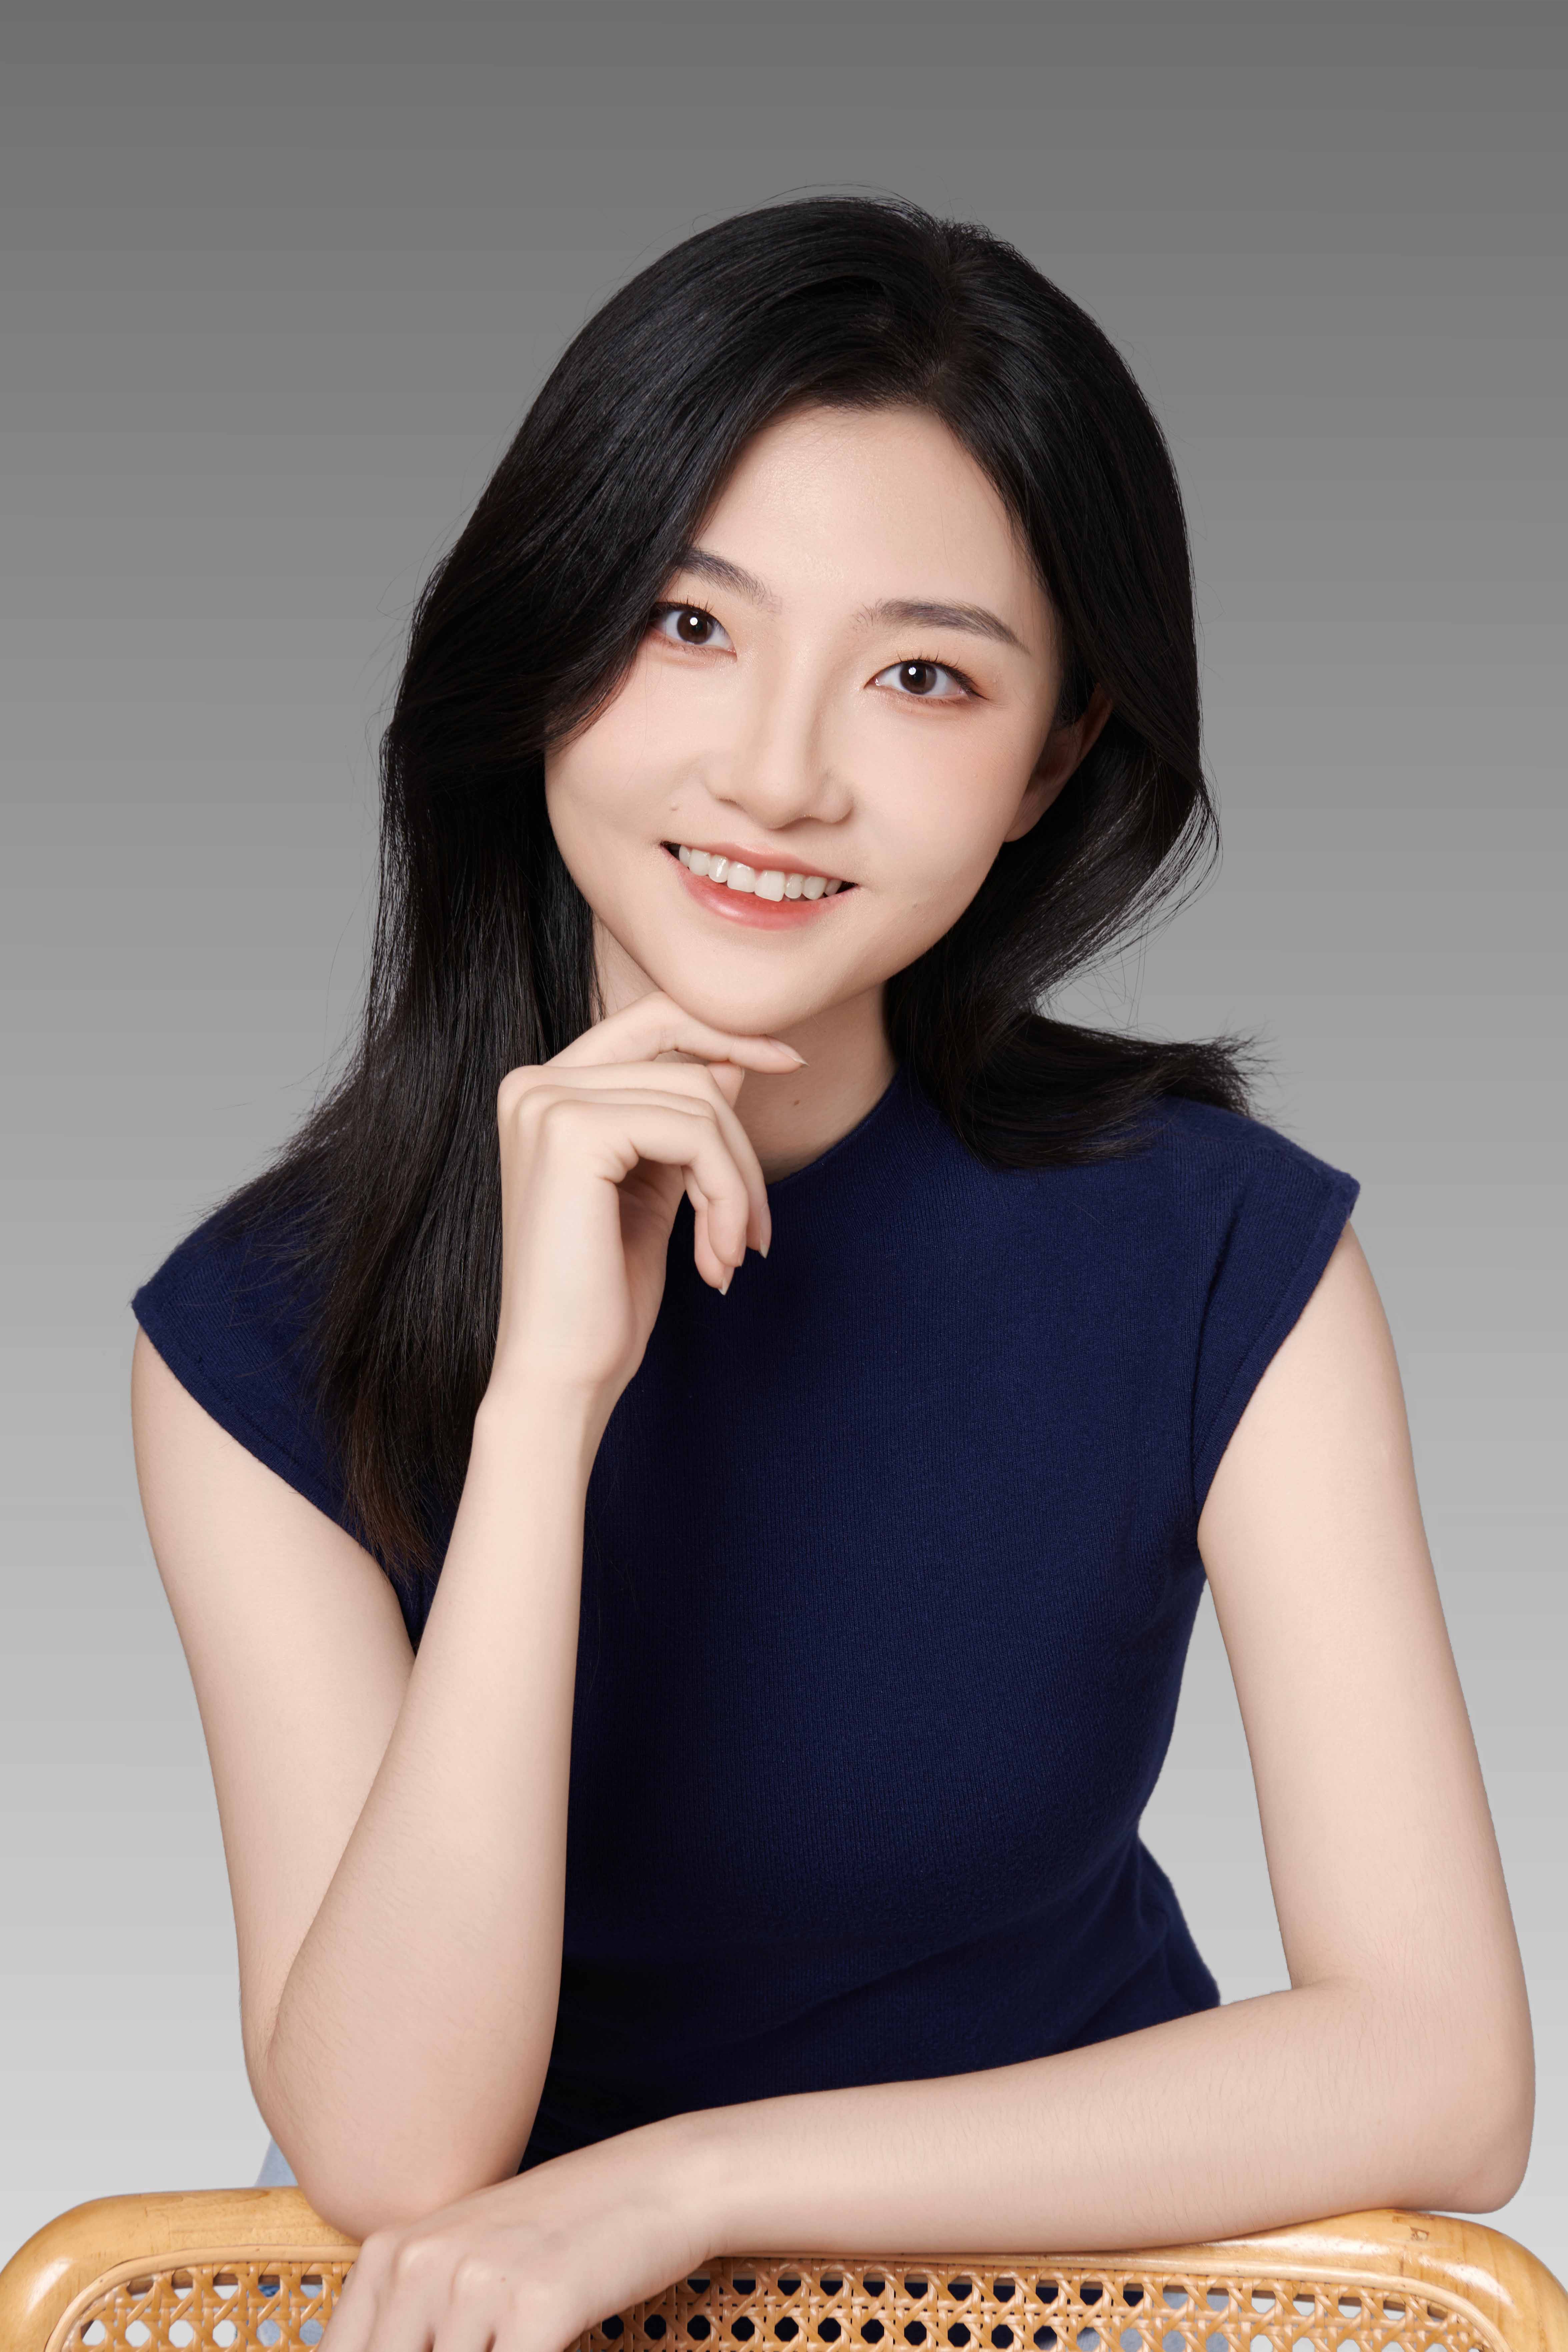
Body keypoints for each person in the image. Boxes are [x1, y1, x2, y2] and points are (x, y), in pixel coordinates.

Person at [128, 194, 1533, 2349]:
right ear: (546, 638)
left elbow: (1444, 2072)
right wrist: (542, 1413)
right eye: (688, 624)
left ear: (1051, 757)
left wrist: (690, 2187)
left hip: (1076, 2318)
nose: (777, 774)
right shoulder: (256, 1327)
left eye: (920, 676)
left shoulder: (1212, 1250)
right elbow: (398, 2155)